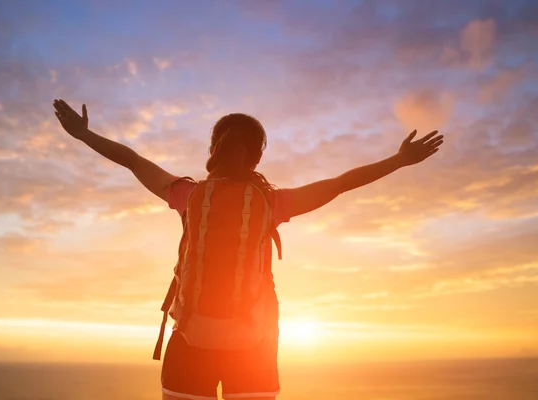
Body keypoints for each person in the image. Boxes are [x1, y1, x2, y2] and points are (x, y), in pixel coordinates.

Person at [53, 99, 444, 400]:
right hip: (253, 347)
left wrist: (86, 136)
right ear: (257, 156)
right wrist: (398, 161)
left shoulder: (188, 195)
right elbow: (341, 182)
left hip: (189, 344)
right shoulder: (272, 203)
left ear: (214, 148)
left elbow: (133, 161)